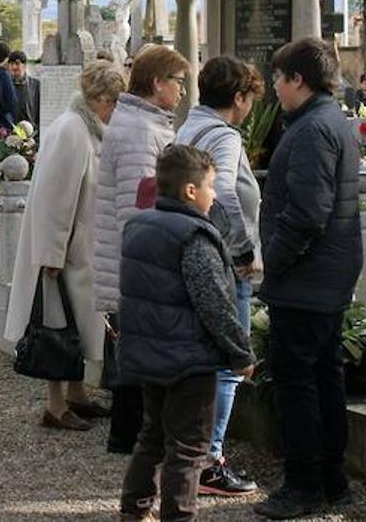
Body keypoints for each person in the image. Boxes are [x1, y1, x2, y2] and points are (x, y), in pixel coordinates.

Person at [117, 145, 256, 522]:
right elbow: (213, 302)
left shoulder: (138, 225)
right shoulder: (194, 235)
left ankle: (134, 509)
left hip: (149, 352)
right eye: (210, 187)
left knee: (152, 436)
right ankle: (178, 516)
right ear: (190, 191)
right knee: (189, 448)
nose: (214, 195)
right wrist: (240, 354)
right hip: (188, 359)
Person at [254, 38, 362, 519]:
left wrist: (272, 260)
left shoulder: (312, 130)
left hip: (306, 277)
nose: (274, 87)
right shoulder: (328, 120)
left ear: (298, 79)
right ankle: (331, 478)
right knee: (324, 376)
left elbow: (307, 212)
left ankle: (305, 484)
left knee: (299, 382)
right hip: (323, 276)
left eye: (279, 77)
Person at [4, 60, 124, 430]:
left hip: (80, 246)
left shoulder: (86, 127)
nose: (117, 110)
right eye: (115, 101)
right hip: (65, 250)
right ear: (100, 99)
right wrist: (52, 255)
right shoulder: (72, 130)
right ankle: (55, 406)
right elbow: (57, 199)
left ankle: (77, 394)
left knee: (79, 325)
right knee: (58, 328)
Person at [175, 56, 265, 497]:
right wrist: (243, 247)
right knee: (230, 364)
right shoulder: (224, 136)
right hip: (224, 260)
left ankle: (190, 455)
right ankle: (210, 461)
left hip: (191, 253)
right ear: (238, 97)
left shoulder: (188, 126)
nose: (249, 107)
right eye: (249, 98)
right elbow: (224, 190)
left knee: (203, 363)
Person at [93, 43, 190, 452]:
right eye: (178, 82)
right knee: (137, 352)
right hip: (136, 262)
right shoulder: (138, 129)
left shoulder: (143, 122)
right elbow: (136, 207)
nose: (182, 91)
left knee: (135, 350)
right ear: (157, 83)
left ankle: (130, 434)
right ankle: (129, 436)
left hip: (131, 260)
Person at [6, 49, 41, 133]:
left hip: (32, 133)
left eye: (17, 63)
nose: (14, 67)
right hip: (10, 132)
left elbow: (39, 110)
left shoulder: (36, 84)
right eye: (11, 64)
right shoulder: (5, 84)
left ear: (24, 65)